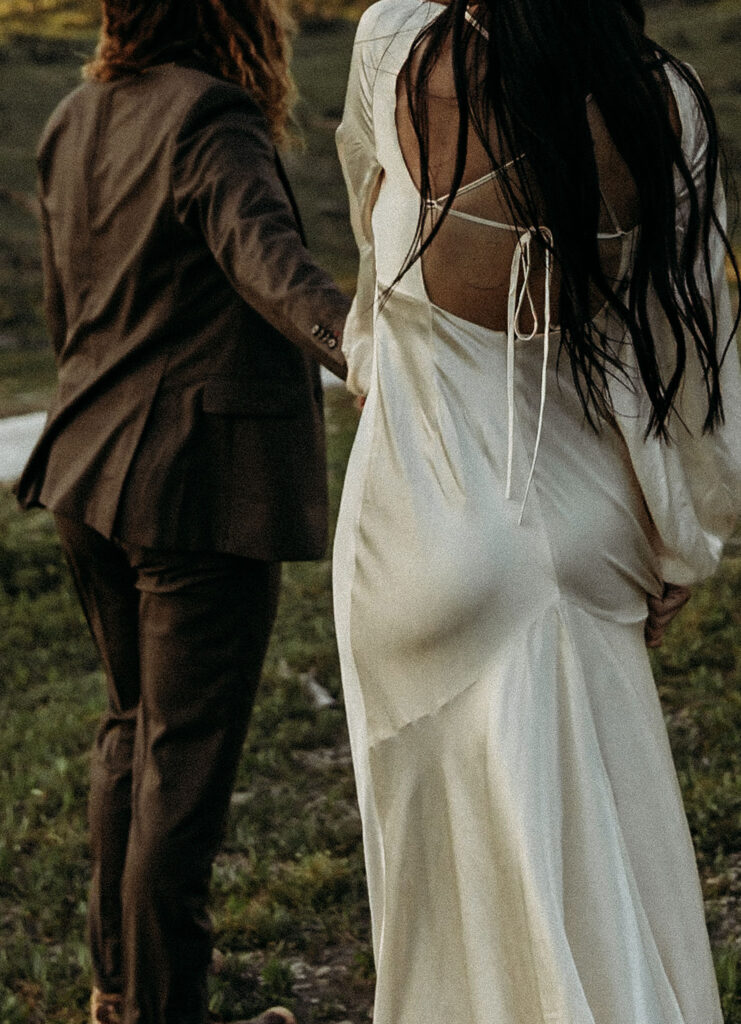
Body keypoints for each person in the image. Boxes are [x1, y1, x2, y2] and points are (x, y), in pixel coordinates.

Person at [333, 0, 741, 1021]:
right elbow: (696, 376)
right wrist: (681, 549)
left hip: (411, 535)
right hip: (581, 534)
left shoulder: (393, 46)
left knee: (440, 912)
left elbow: (371, 265)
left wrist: (375, 359)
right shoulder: (664, 105)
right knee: (595, 897)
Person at [14, 2, 349, 1022]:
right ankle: (166, 1011)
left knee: (131, 733)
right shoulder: (214, 115)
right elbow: (266, 259)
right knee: (181, 767)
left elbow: (66, 312)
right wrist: (367, 345)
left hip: (87, 469)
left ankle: (119, 994)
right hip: (194, 484)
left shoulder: (72, 116)